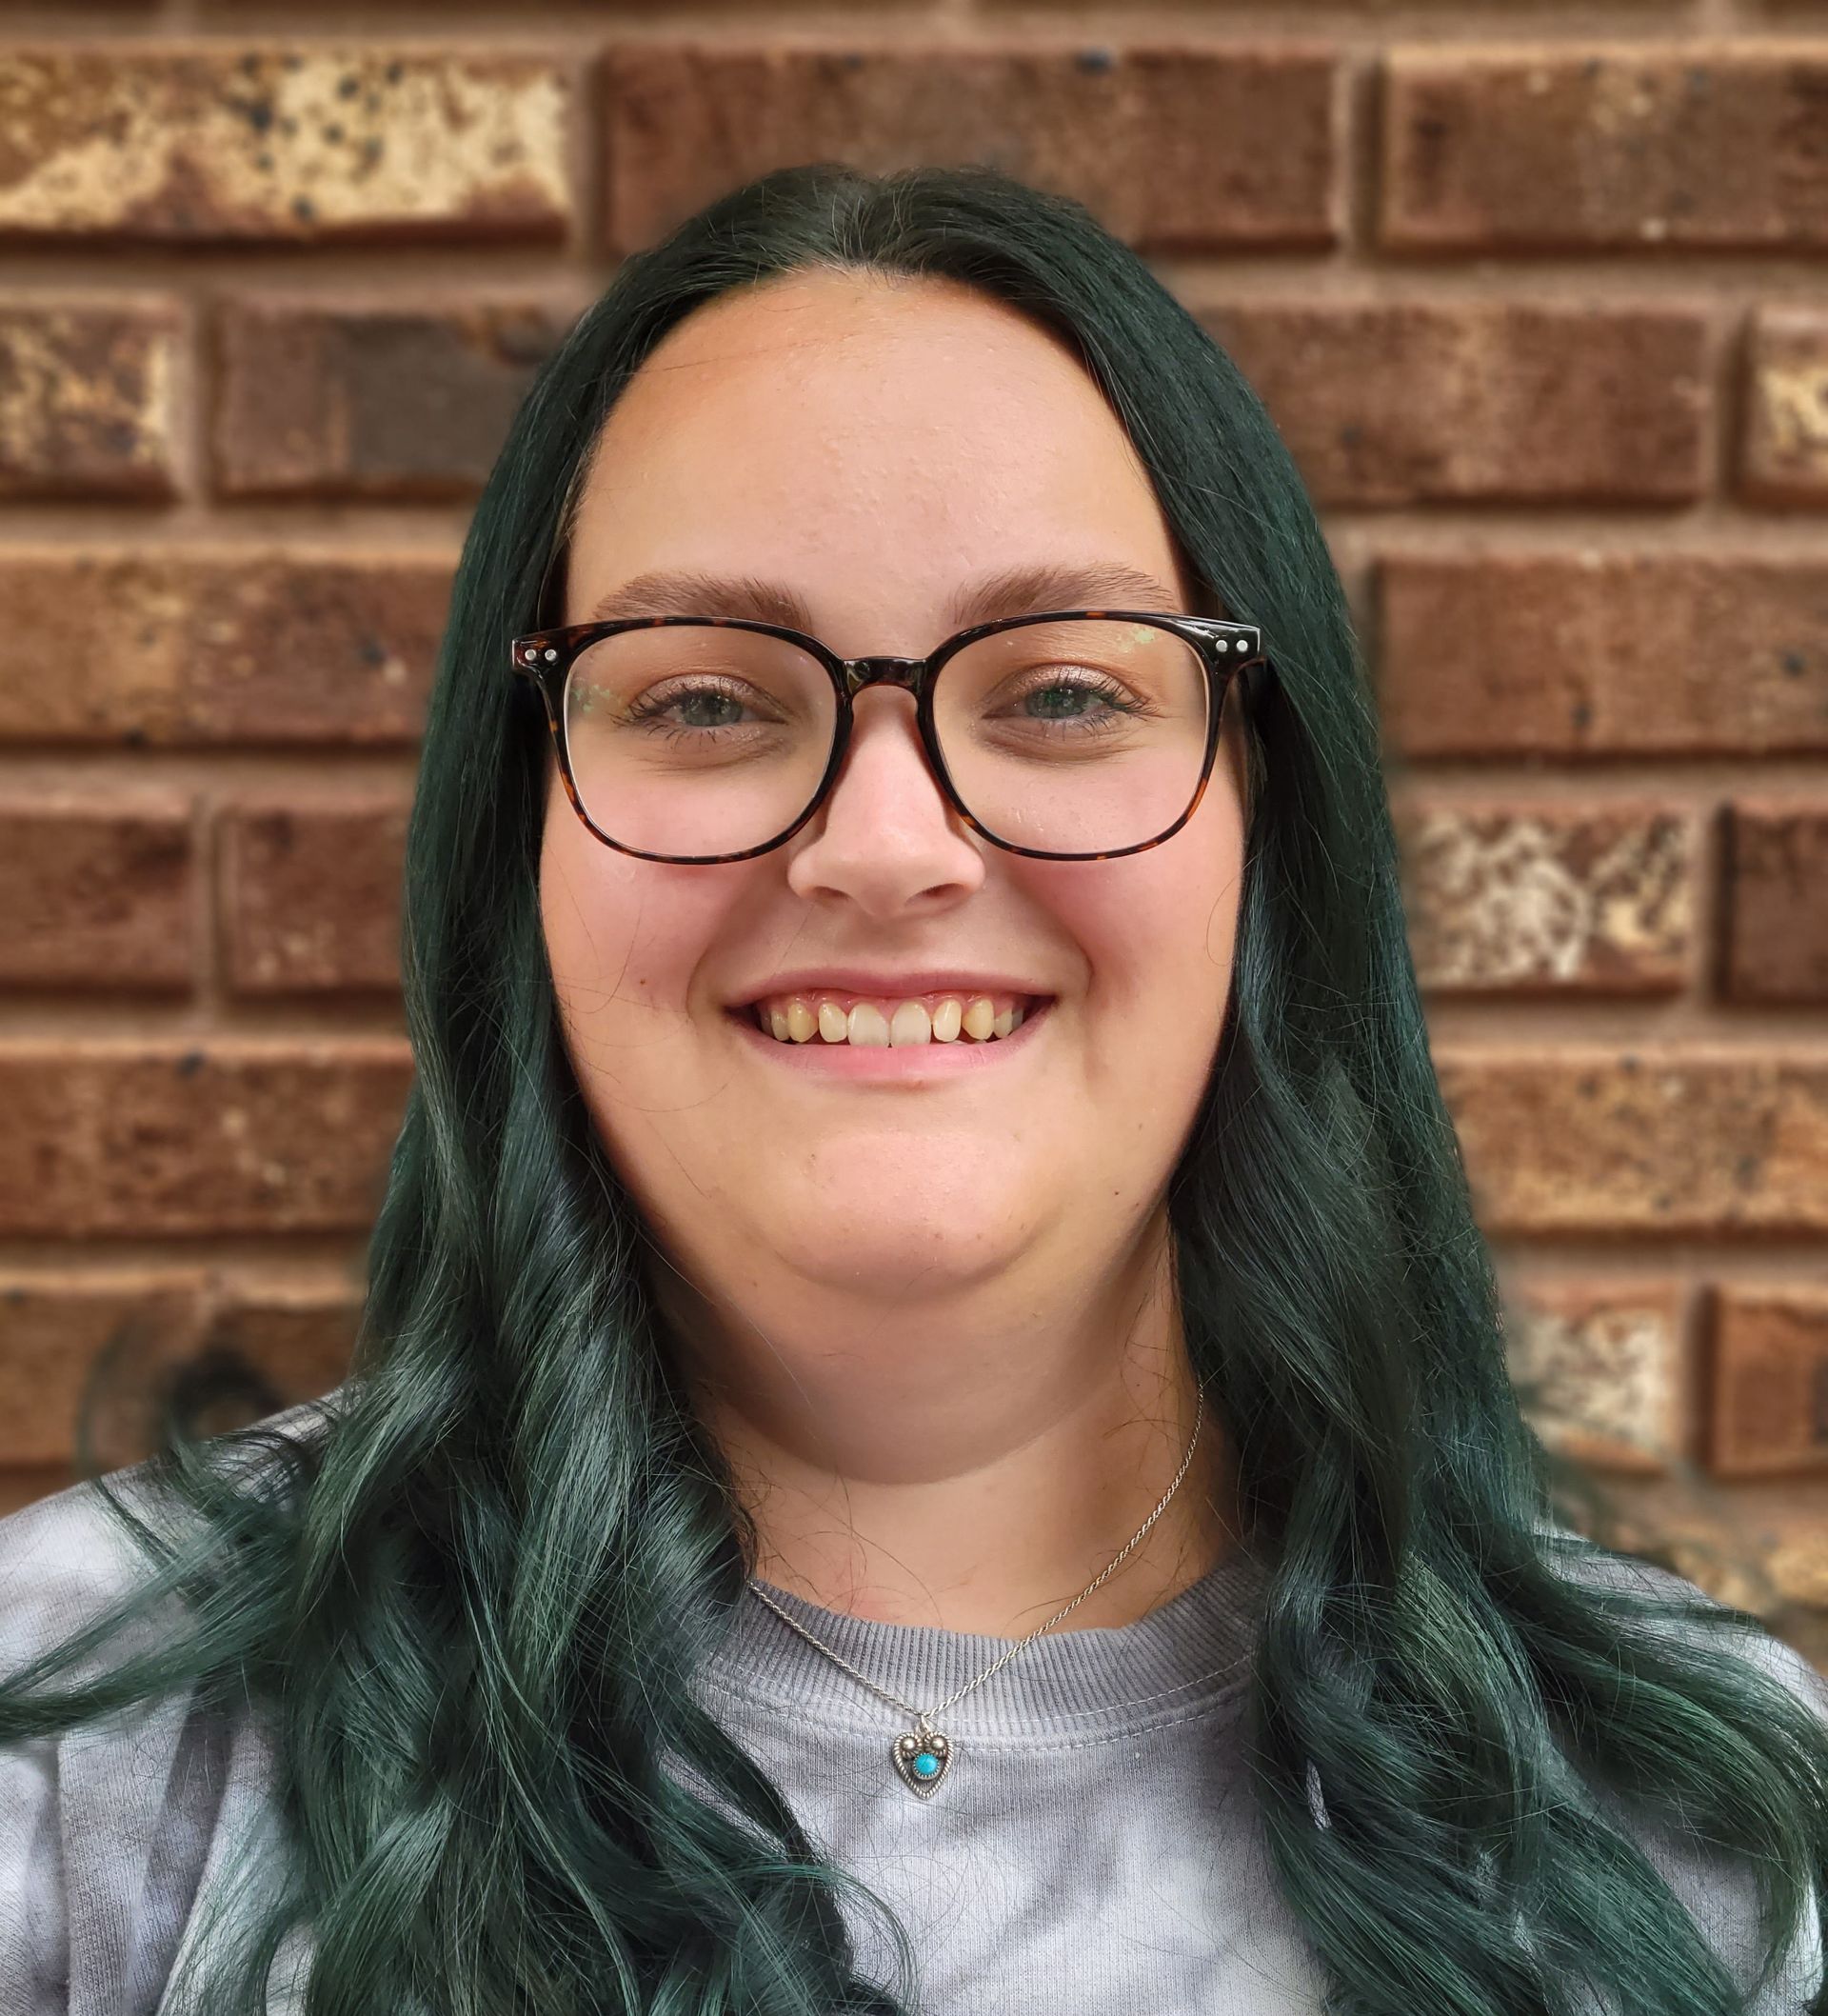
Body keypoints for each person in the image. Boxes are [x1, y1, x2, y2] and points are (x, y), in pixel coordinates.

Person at [1, 161, 1824, 2016]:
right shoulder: (86, 1739)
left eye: (1059, 696)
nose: (888, 845)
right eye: (704, 698)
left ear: (1268, 837)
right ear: (520, 843)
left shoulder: (1704, 1834)